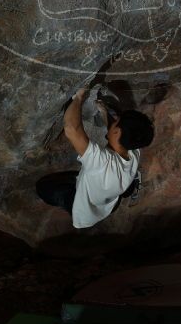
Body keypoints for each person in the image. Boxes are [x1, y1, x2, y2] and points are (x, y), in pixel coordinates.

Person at [36, 87, 154, 228]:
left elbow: (72, 129)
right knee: (96, 180)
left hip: (84, 210)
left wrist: (79, 97)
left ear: (117, 131)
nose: (113, 120)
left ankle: (72, 200)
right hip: (109, 200)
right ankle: (124, 189)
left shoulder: (101, 163)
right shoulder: (134, 150)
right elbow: (116, 132)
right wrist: (104, 111)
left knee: (43, 187)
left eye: (116, 121)